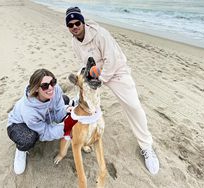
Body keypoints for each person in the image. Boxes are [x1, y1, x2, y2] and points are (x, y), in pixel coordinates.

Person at [65, 7, 160, 175]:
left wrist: (100, 79)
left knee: (133, 106)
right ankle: (85, 134)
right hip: (94, 75)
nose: (75, 27)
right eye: (70, 24)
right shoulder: (74, 42)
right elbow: (85, 63)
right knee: (82, 100)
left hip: (116, 72)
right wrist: (88, 81)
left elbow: (113, 59)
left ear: (83, 22)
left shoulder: (101, 34)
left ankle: (146, 146)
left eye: (77, 22)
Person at [7, 68, 71, 175]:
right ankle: (21, 150)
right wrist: (65, 128)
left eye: (53, 82)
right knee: (29, 138)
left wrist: (65, 110)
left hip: (43, 116)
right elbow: (44, 133)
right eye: (45, 85)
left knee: (65, 101)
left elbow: (59, 109)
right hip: (17, 124)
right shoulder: (29, 112)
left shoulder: (55, 89)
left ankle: (64, 112)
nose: (51, 88)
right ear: (36, 88)